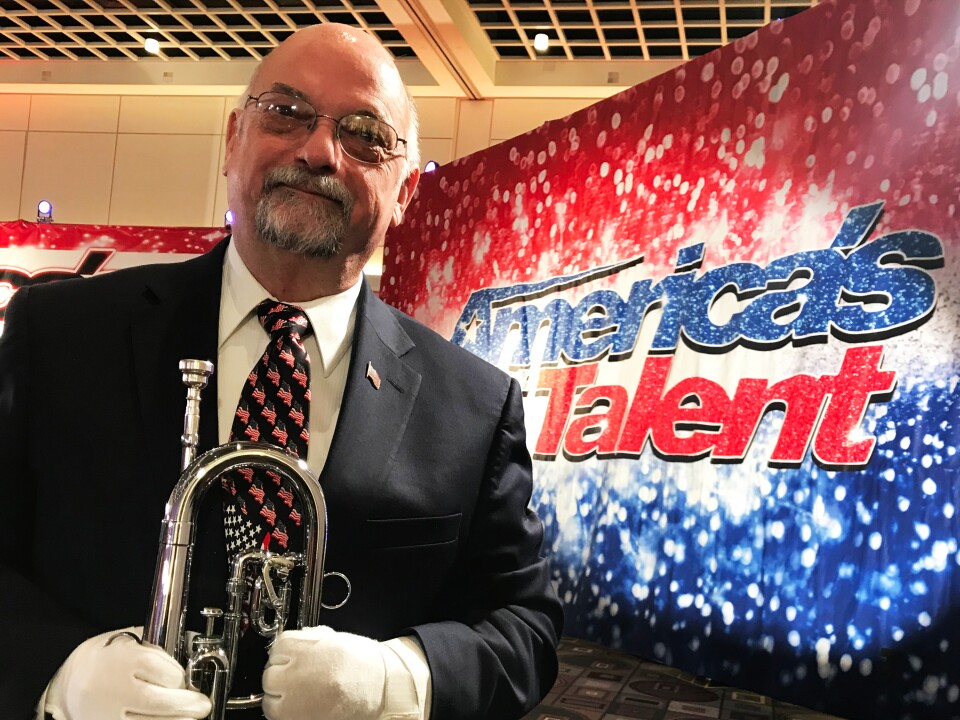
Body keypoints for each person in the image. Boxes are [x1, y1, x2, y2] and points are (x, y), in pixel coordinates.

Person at [0, 22, 562, 720]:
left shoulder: (475, 406)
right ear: (234, 138)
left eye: (364, 134)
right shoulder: (60, 335)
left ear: (406, 190)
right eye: (288, 112)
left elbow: (525, 625)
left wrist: (401, 680)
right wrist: (57, 671)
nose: (320, 150)